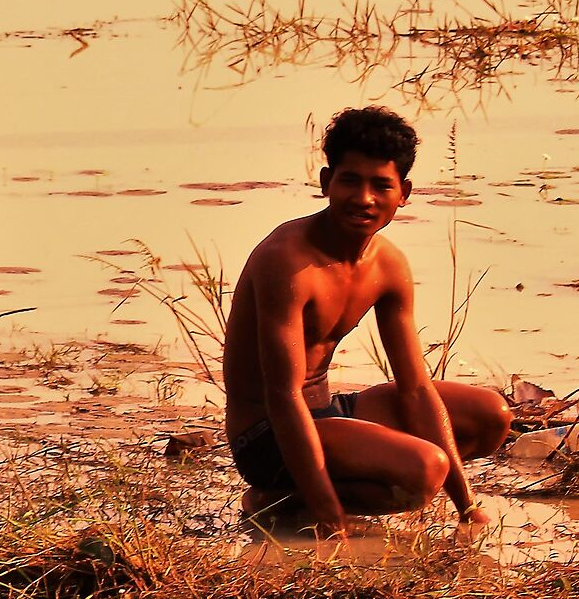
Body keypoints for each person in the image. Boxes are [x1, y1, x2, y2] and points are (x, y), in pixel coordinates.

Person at [219, 106, 511, 536]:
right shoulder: (287, 260)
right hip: (267, 434)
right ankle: (288, 497)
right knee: (424, 470)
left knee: (490, 415)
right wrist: (330, 519)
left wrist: (467, 507)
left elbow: (415, 388)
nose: (364, 198)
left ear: (404, 192)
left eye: (381, 185)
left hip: (328, 413)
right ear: (326, 183)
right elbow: (283, 397)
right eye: (350, 181)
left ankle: (298, 493)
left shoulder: (388, 265)